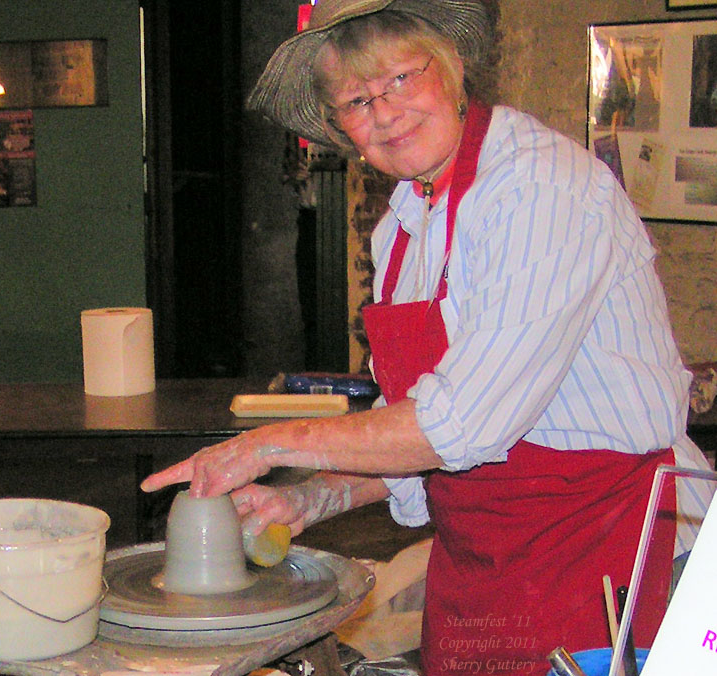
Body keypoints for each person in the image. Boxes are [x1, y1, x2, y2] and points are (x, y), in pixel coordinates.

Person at [141, 1, 714, 673]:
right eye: (356, 100)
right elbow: (415, 434)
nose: (383, 112)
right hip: (485, 562)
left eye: (402, 79)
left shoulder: (538, 189)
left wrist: (267, 443)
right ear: (340, 127)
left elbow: (457, 425)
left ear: (452, 69)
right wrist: (311, 496)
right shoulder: (405, 227)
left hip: (610, 550)